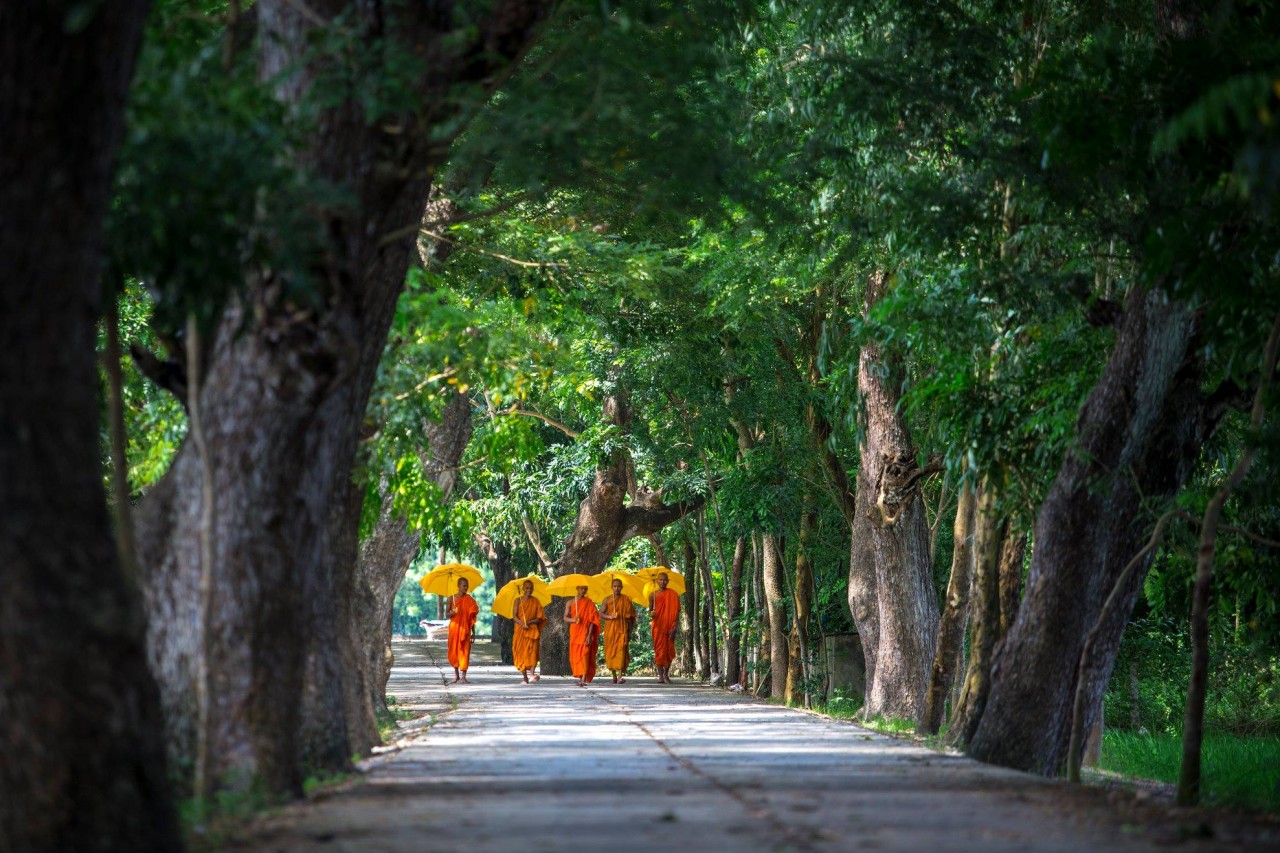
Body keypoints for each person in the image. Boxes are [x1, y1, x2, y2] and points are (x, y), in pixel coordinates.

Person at [601, 578, 636, 684]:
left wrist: (630, 632)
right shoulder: (607, 600)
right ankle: (614, 676)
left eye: (619, 586)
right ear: (612, 587)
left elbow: (631, 617)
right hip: (610, 629)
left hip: (622, 629)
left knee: (621, 650)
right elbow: (601, 613)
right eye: (615, 586)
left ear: (622, 587)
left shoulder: (626, 599)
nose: (617, 588)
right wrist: (610, 616)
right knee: (611, 652)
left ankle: (620, 675)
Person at [564, 585, 600, 686]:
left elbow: (593, 620)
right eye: (581, 588)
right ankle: (580, 678)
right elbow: (565, 618)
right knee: (575, 656)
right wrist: (573, 619)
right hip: (575, 632)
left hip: (585, 631)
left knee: (584, 654)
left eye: (585, 589)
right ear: (577, 589)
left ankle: (583, 679)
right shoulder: (570, 602)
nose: (583, 590)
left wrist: (589, 635)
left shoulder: (589, 603)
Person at [648, 572, 680, 684]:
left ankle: (666, 674)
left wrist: (675, 626)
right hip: (657, 626)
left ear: (668, 581)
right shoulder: (652, 595)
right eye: (660, 580)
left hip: (670, 626)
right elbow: (650, 611)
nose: (662, 582)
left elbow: (677, 612)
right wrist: (651, 614)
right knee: (659, 650)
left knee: (669, 650)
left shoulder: (673, 594)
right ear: (657, 581)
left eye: (664, 580)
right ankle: (660, 675)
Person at [446, 577, 479, 683]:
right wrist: (451, 613)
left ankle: (464, 676)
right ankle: (456, 675)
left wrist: (474, 632)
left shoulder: (470, 600)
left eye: (467, 585)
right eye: (464, 585)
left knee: (465, 651)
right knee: (454, 651)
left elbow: (472, 618)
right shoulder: (451, 599)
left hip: (466, 629)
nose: (466, 587)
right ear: (458, 586)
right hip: (455, 628)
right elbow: (447, 614)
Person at [512, 580, 545, 684]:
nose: (529, 590)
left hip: (532, 630)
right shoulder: (517, 601)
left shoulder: (536, 601)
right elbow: (514, 616)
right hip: (520, 631)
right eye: (526, 588)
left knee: (533, 652)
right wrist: (522, 623)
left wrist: (529, 622)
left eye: (531, 588)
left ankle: (532, 674)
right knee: (521, 653)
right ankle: (525, 677)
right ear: (522, 589)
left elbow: (540, 618)